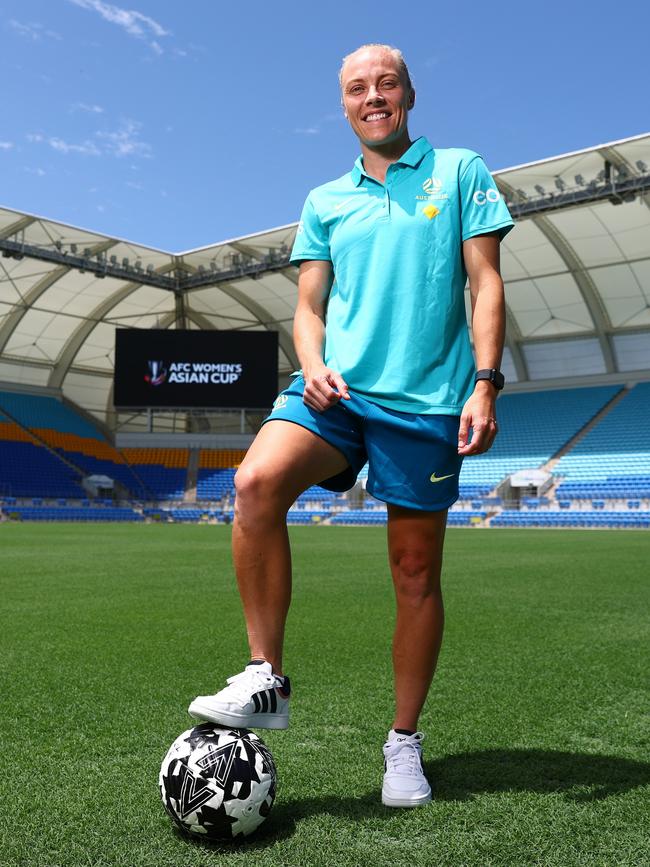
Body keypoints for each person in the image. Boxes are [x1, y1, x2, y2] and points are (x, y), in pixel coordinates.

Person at [189, 43, 514, 808]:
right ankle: (267, 675)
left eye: (386, 84)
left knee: (413, 576)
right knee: (256, 480)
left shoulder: (460, 170)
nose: (373, 97)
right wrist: (315, 360)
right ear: (344, 105)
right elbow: (308, 308)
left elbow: (486, 280)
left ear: (408, 95)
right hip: (334, 392)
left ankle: (403, 743)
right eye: (358, 88)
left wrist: (486, 382)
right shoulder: (325, 199)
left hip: (426, 403)